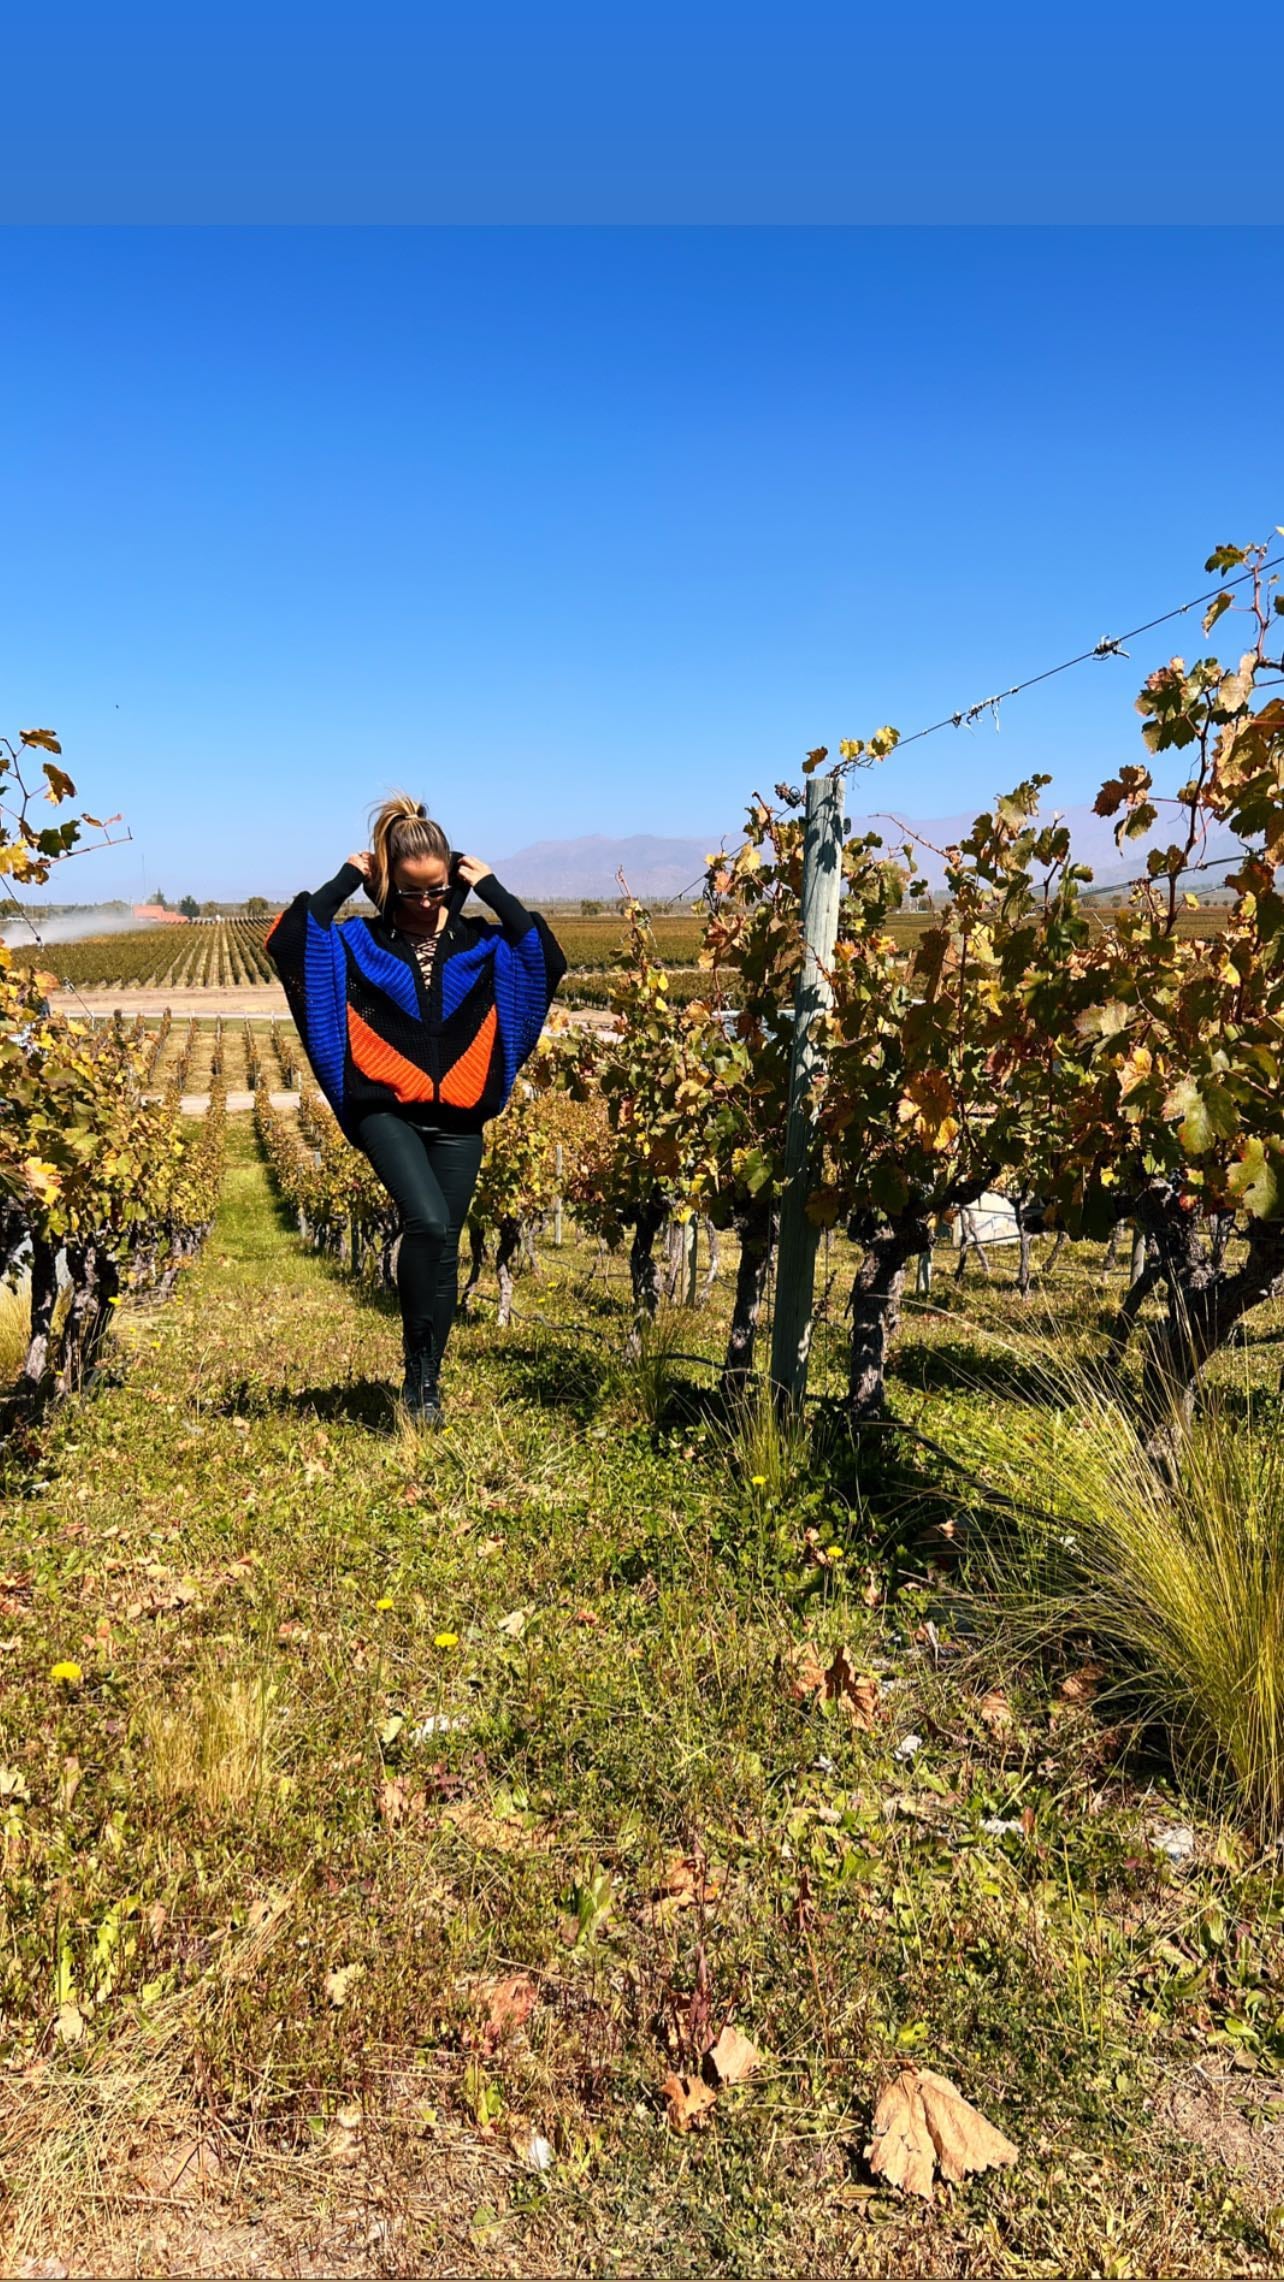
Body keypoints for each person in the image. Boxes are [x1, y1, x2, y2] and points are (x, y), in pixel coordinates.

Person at [264, 793, 567, 1425]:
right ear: (387, 884)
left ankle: (425, 1381)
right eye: (410, 892)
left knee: (447, 1248)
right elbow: (293, 940)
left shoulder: (480, 944)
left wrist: (494, 889)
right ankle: (415, 1370)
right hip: (385, 1111)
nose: (426, 905)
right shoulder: (359, 944)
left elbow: (544, 955)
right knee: (426, 1222)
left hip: (461, 1119)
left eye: (437, 891)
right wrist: (349, 877)